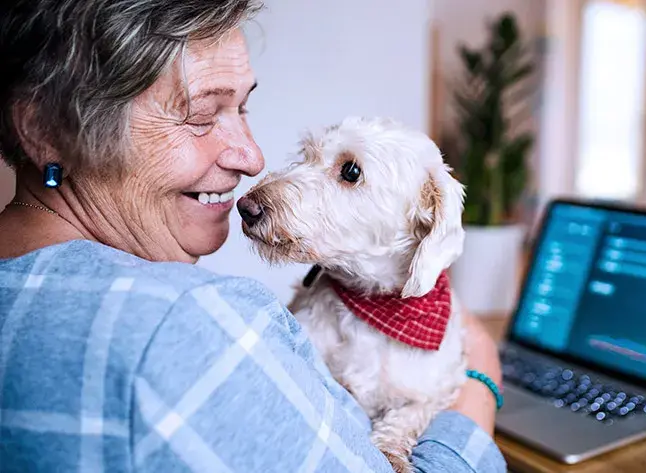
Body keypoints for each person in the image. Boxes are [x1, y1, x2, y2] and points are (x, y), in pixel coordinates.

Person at [0, 1, 506, 472]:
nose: (254, 159)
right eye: (200, 115)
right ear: (44, 129)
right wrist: (482, 377)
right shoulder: (188, 323)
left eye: (241, 109)